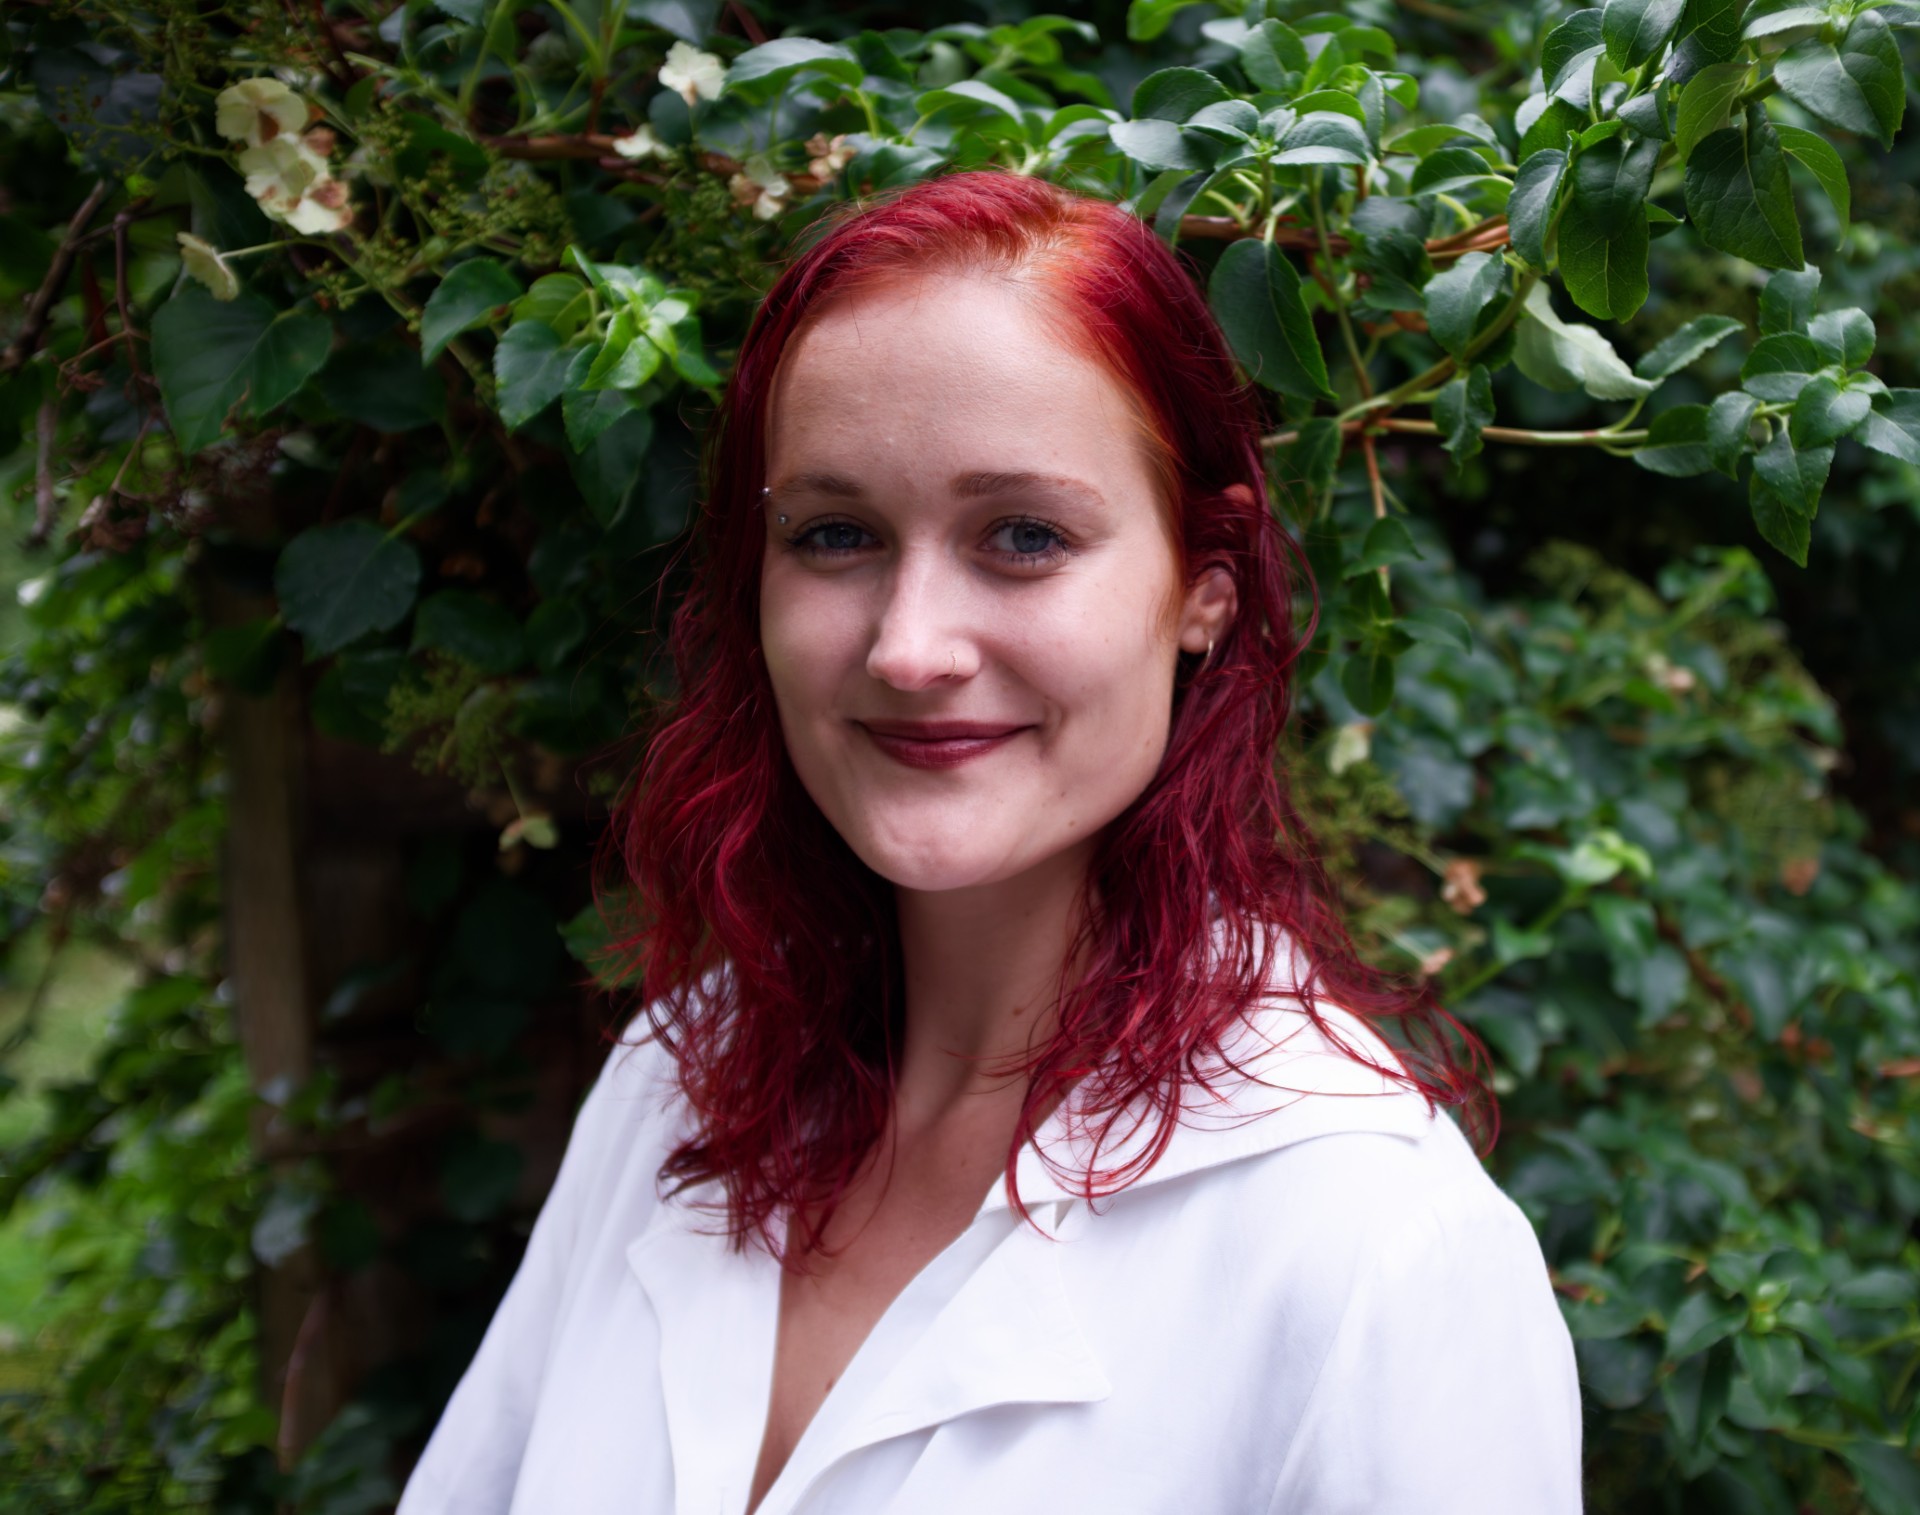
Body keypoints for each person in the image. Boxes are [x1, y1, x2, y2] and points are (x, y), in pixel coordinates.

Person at [395, 170, 1583, 1515]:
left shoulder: (1374, 1248)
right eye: (834, 534)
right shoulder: (675, 1084)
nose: (910, 648)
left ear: (1203, 585)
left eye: (1024, 536)